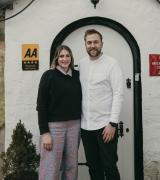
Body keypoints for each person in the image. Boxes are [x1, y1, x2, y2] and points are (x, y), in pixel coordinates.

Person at [78, 29, 123, 180]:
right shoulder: (81, 64)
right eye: (89, 42)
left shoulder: (112, 64)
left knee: (109, 166)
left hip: (105, 126)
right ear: (85, 44)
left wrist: (112, 123)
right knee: (93, 166)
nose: (93, 45)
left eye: (96, 42)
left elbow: (118, 93)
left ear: (102, 44)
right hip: (86, 126)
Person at [36, 45, 82, 180]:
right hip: (54, 128)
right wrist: (44, 133)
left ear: (71, 58)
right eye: (61, 56)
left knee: (71, 165)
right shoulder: (48, 76)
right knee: (51, 165)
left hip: (74, 125)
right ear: (56, 58)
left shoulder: (77, 75)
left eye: (67, 56)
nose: (65, 59)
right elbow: (41, 105)